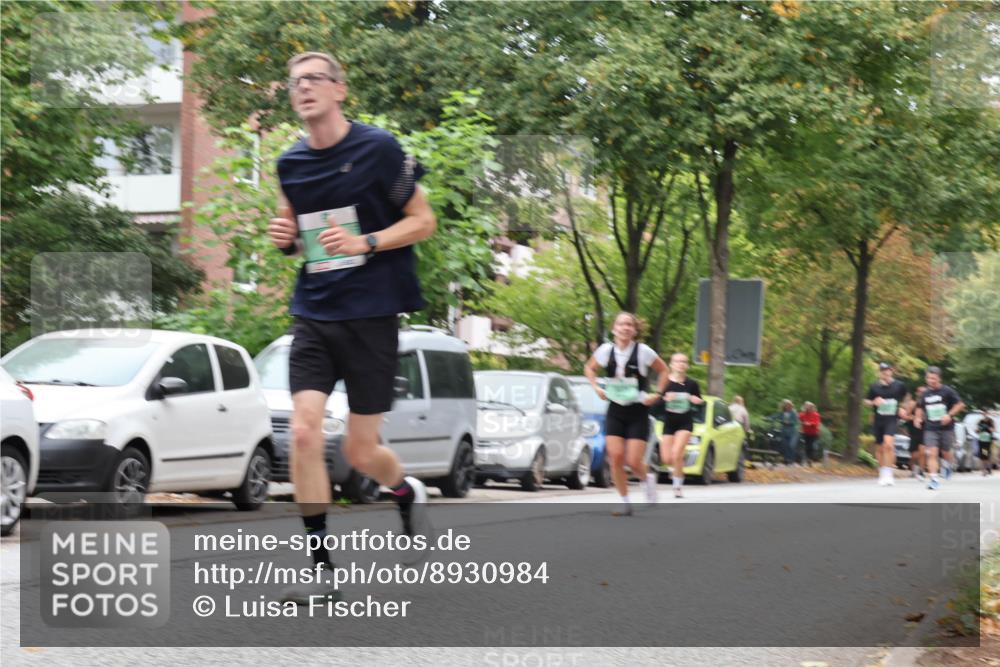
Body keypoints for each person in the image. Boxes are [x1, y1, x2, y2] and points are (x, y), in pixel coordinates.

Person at [268, 52, 437, 603]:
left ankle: (404, 488)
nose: (304, 88)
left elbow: (423, 221)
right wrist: (285, 237)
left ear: (340, 90)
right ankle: (322, 570)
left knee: (362, 453)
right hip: (315, 311)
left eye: (315, 79)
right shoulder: (289, 163)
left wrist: (367, 241)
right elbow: (296, 235)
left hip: (372, 314)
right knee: (303, 431)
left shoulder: (378, 148)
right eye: (296, 82)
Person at [584, 312, 669, 515]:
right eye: (621, 324)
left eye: (629, 325)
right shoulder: (606, 351)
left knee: (633, 461)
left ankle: (647, 479)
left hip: (637, 410)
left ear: (634, 330)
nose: (625, 328)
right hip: (615, 409)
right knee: (615, 458)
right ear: (614, 329)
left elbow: (664, 371)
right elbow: (589, 368)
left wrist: (657, 394)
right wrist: (596, 387)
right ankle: (624, 501)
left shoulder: (643, 351)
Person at [658, 353, 704, 498]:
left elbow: (700, 404)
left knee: (677, 453)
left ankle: (677, 486)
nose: (681, 364)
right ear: (671, 364)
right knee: (666, 459)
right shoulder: (665, 382)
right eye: (677, 361)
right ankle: (677, 467)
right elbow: (656, 403)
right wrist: (665, 399)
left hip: (685, 422)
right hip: (669, 422)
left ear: (687, 365)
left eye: (684, 361)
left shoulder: (692, 384)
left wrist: (696, 401)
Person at [915, 366, 966, 491]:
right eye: (928, 378)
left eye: (933, 378)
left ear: (939, 378)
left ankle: (947, 465)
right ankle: (934, 479)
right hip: (930, 427)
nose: (930, 380)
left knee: (945, 452)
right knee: (932, 453)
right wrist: (918, 418)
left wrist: (949, 415)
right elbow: (920, 407)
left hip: (946, 427)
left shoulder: (947, 391)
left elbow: (960, 404)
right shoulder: (925, 393)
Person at [863, 362, 908, 486]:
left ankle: (889, 473)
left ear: (891, 371)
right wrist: (873, 402)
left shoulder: (899, 385)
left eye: (887, 370)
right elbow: (865, 400)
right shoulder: (874, 386)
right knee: (880, 448)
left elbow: (906, 397)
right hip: (878, 419)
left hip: (892, 419)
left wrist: (904, 408)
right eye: (882, 370)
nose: (884, 372)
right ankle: (882, 472)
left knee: (888, 445)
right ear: (880, 372)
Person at [901, 387, 927, 479]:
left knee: (922, 451)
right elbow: (905, 416)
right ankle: (913, 470)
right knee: (914, 454)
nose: (922, 393)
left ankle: (922, 471)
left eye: (924, 392)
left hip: (925, 430)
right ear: (917, 393)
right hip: (914, 430)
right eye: (920, 392)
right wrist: (914, 418)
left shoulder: (928, 403)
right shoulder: (913, 404)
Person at [772, 400, 800, 465]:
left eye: (788, 405)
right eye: (785, 405)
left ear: (791, 406)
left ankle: (791, 459)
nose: (787, 406)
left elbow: (796, 422)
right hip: (784, 431)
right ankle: (786, 459)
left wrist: (789, 422)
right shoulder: (782, 413)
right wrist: (767, 418)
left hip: (793, 432)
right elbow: (775, 416)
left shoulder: (794, 413)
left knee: (791, 445)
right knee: (785, 445)